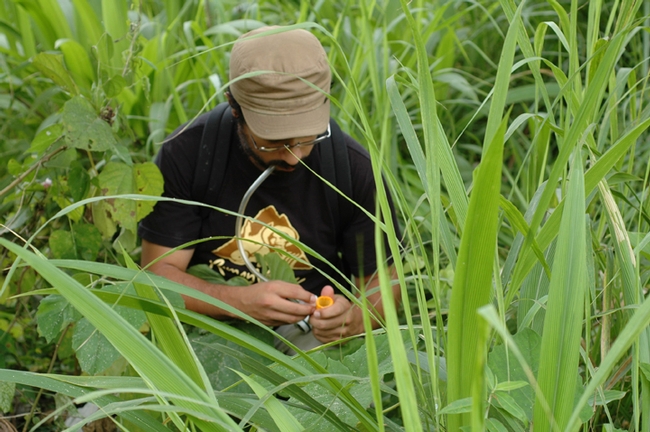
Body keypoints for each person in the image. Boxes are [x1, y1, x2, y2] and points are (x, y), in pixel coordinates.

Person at [138, 25, 401, 353]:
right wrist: (235, 302)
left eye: (308, 137)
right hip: (203, 322)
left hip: (306, 332)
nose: (294, 156)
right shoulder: (190, 153)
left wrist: (352, 319)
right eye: (274, 140)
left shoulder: (352, 169)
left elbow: (384, 285)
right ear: (235, 108)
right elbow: (156, 276)